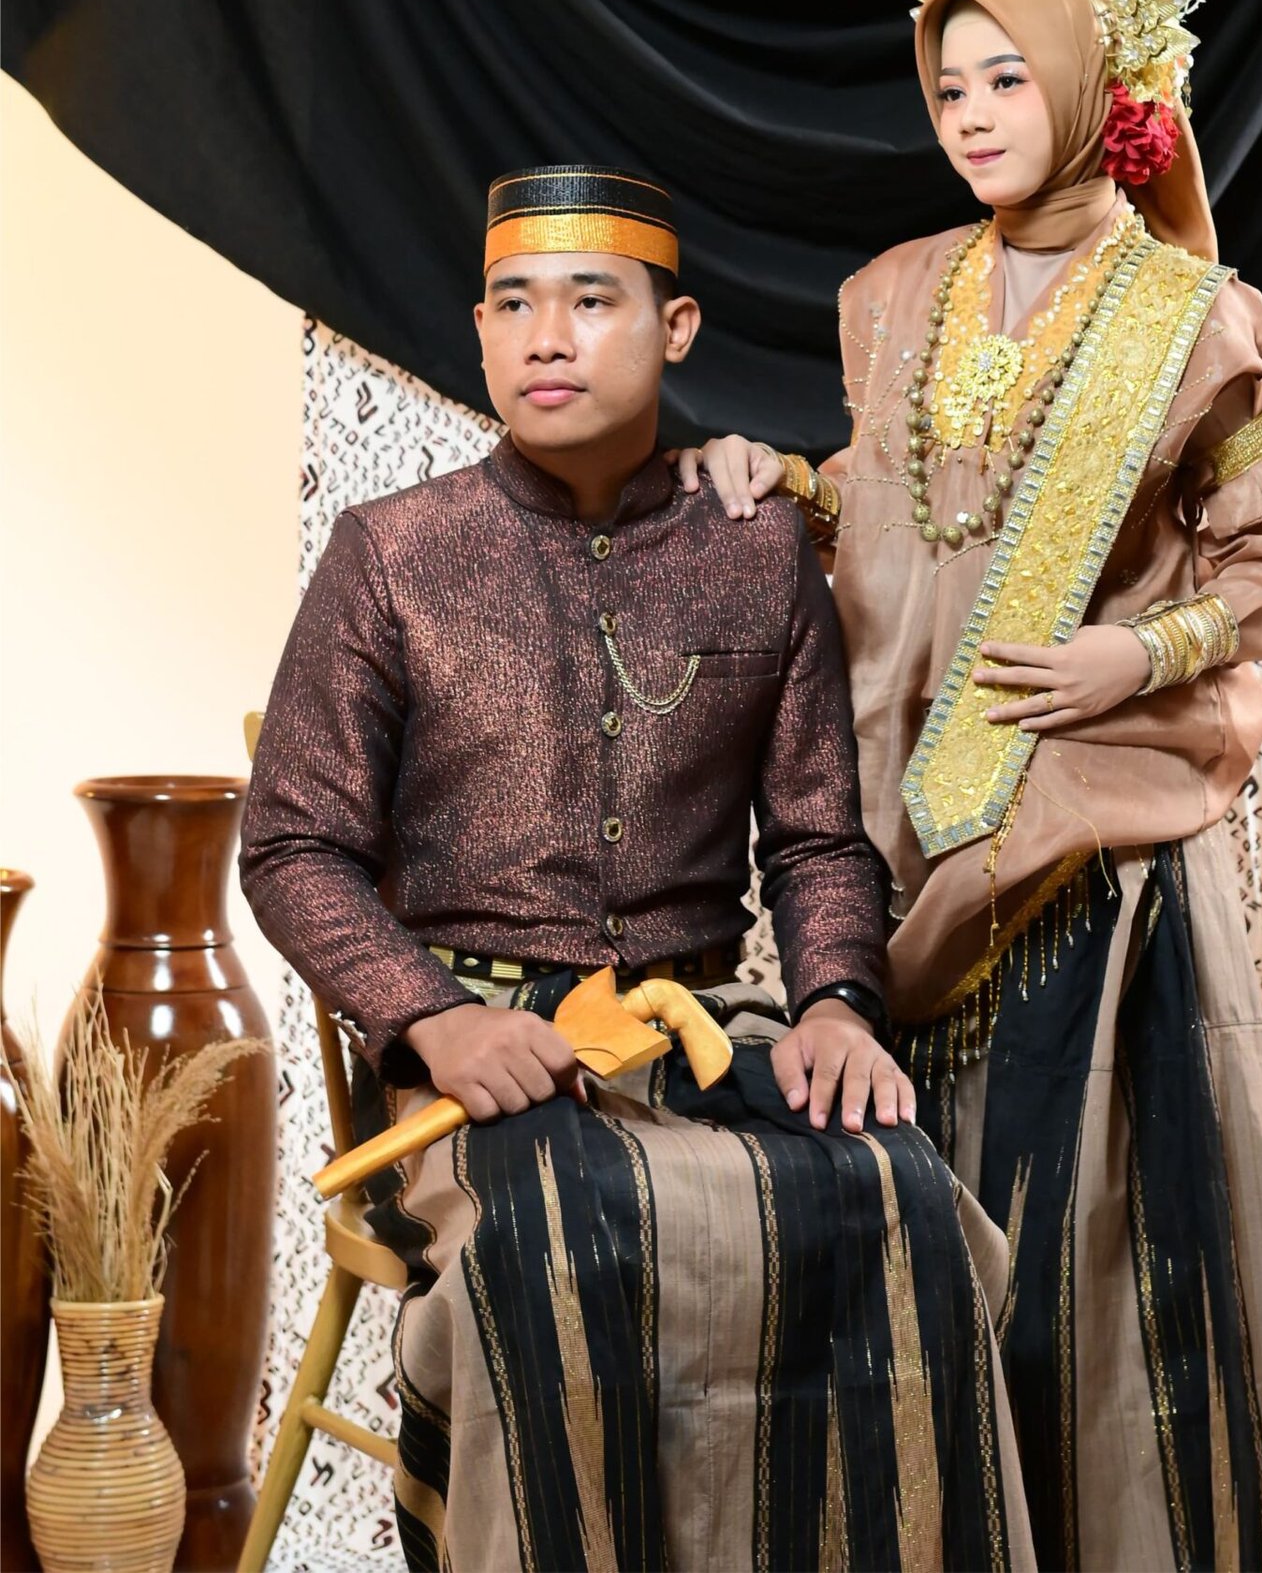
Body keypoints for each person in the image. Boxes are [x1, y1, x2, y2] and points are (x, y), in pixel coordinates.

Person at [676, 0, 1262, 1572]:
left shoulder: (1193, 316)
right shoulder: (901, 293)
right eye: (950, 86)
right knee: (920, 1246)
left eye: (1006, 79)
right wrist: (782, 479)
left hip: (1100, 857)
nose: (975, 114)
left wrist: (1142, 650)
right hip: (908, 833)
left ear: (1085, 85)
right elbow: (900, 511)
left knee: (1104, 1263)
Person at [241, 164, 1033, 1573]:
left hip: (701, 1030)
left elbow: (816, 837)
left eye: (591, 301)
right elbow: (293, 843)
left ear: (675, 329)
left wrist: (838, 1004)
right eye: (513, 304)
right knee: (561, 1241)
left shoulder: (757, 548)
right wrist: (436, 1019)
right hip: (476, 1057)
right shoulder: (392, 556)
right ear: (479, 332)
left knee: (904, 1200)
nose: (545, 338)